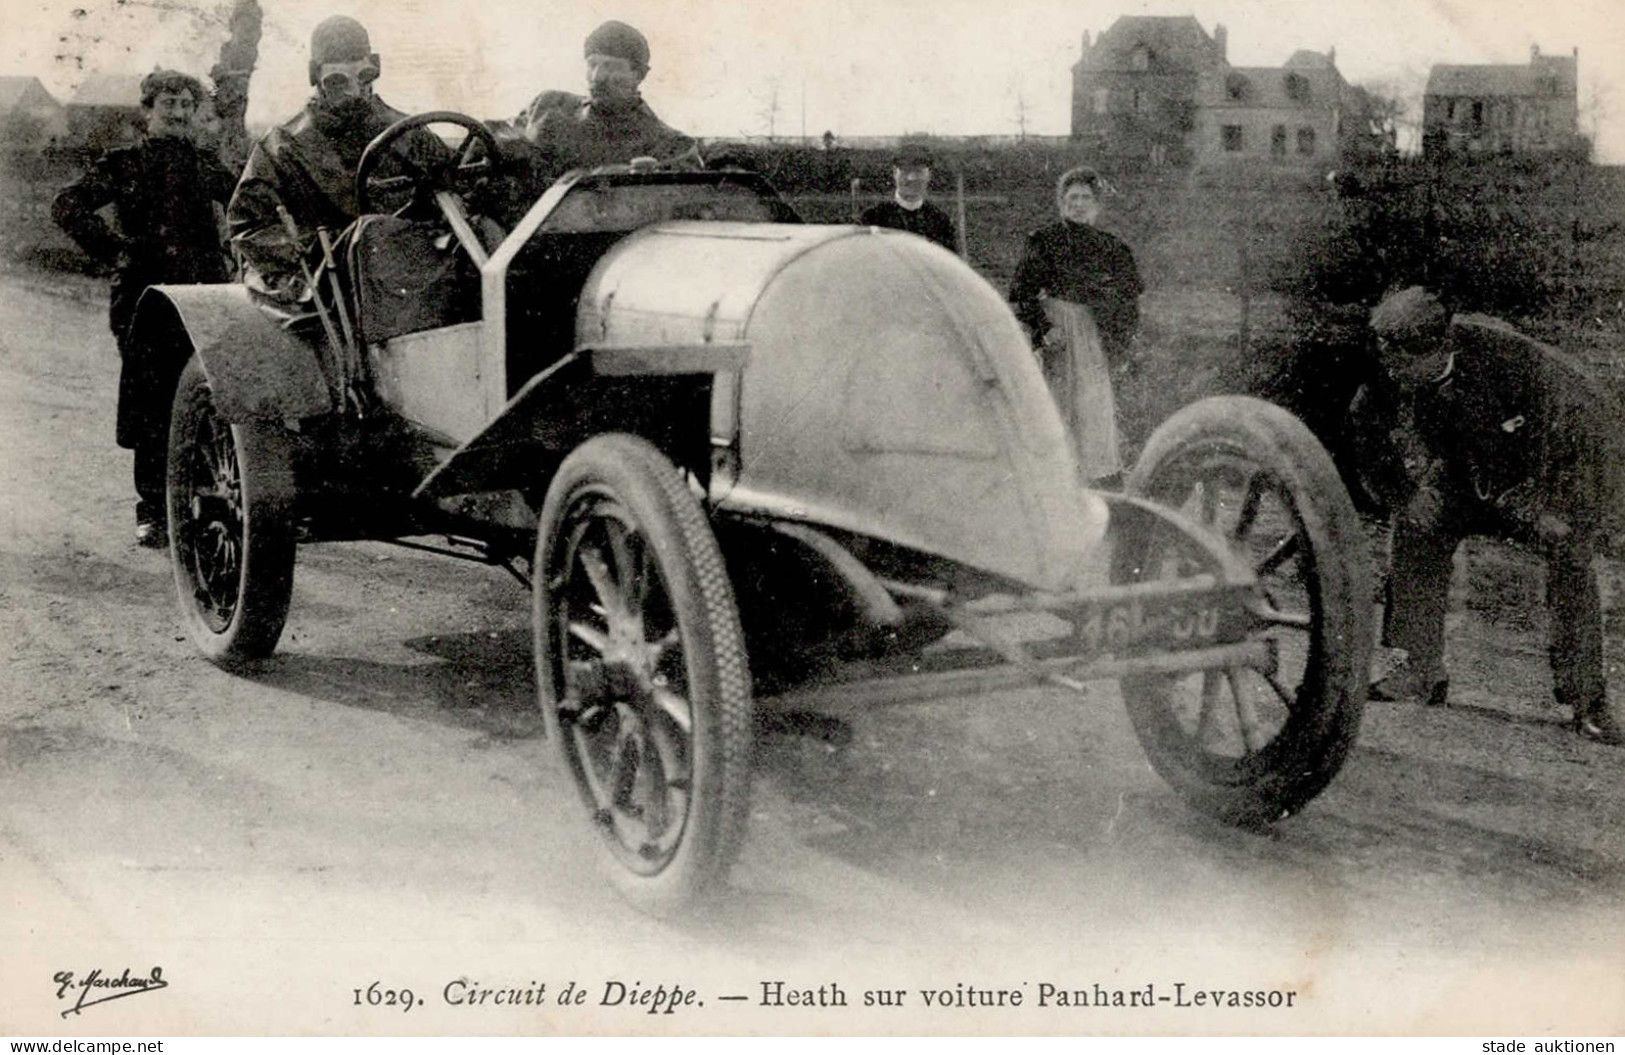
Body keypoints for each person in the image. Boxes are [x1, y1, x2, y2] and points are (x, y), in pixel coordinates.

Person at [1355, 286, 1625, 746]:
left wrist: (1558, 508)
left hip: (1545, 471)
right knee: (1420, 525)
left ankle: (1588, 699)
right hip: (1466, 469)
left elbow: (1592, 439)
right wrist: (1403, 495)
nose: (1390, 370)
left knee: (1569, 553)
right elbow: (1365, 434)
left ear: (1439, 348)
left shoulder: (1524, 365)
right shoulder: (1393, 363)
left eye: (1401, 362)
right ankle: (1420, 670)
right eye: (1387, 358)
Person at [52, 69, 238, 548]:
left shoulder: (206, 164)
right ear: (148, 111)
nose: (177, 113)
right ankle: (153, 511)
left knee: (208, 398)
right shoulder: (123, 164)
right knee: (154, 405)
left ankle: (206, 506)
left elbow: (247, 200)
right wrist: (115, 250)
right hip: (144, 301)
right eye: (168, 104)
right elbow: (67, 205)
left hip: (206, 297)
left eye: (185, 106)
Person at [228, 15, 449, 301]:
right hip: (333, 289)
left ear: (375, 69)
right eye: (337, 81)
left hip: (416, 276)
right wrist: (327, 248)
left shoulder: (411, 134)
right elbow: (249, 225)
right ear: (316, 77)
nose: (355, 92)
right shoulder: (281, 149)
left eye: (364, 78)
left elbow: (456, 183)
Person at [1007, 165, 1142, 485]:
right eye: (1072, 197)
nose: (1078, 204)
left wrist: (1118, 344)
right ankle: (1053, 482)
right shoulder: (1044, 240)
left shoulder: (1113, 248)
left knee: (1094, 413)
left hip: (1093, 336)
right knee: (1055, 408)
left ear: (1096, 204)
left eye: (1085, 197)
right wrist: (1043, 328)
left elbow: (1128, 302)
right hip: (1058, 335)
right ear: (1061, 202)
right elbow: (1021, 295)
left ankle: (1099, 487)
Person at [513, 20, 696, 178]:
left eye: (611, 66)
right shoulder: (547, 105)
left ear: (638, 75)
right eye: (592, 64)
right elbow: (501, 138)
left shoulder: (670, 146)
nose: (597, 77)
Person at [858, 145, 958, 254]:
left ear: (929, 175)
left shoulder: (941, 221)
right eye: (905, 172)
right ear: (894, 173)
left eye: (918, 172)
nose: (911, 178)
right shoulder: (874, 217)